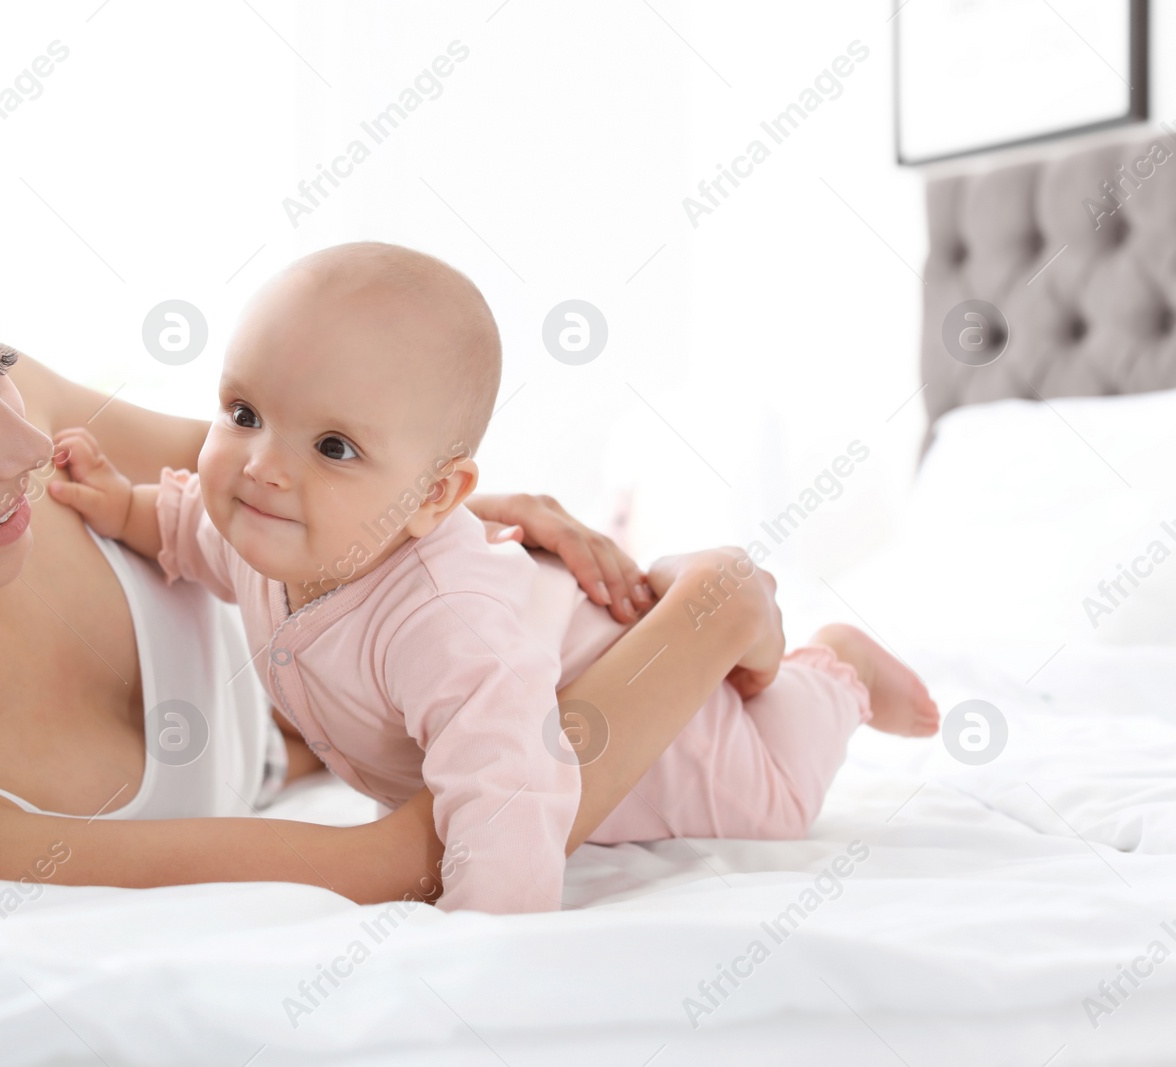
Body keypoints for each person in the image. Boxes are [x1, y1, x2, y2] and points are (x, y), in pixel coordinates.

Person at [0, 149, 786, 906]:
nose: (27, 451)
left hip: (401, 626)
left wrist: (452, 527)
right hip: (371, 722)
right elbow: (420, 855)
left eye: (0, 362)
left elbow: (308, 467)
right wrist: (717, 602)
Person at [47, 242, 941, 913]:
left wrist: (487, 940)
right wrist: (121, 506)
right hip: (562, 634)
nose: (262, 466)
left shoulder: (444, 622)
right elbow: (193, 530)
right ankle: (693, 591)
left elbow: (510, 795)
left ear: (436, 495)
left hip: (677, 745)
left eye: (333, 446)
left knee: (775, 793)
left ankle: (838, 673)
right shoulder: (268, 527)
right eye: (243, 412)